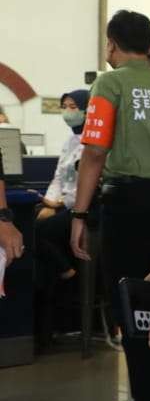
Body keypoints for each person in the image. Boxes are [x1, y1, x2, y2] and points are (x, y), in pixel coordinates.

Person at [68, 11, 150, 401]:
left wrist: (79, 215)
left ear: (112, 45)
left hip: (127, 204)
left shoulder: (109, 84)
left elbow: (95, 151)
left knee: (130, 300)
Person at [31, 90, 89, 342]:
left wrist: (58, 204)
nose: (68, 111)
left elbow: (85, 186)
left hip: (80, 210)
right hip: (60, 204)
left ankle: (67, 271)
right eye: (64, 106)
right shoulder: (69, 141)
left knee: (39, 232)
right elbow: (58, 177)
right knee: (32, 225)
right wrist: (48, 201)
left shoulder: (93, 141)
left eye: (73, 106)